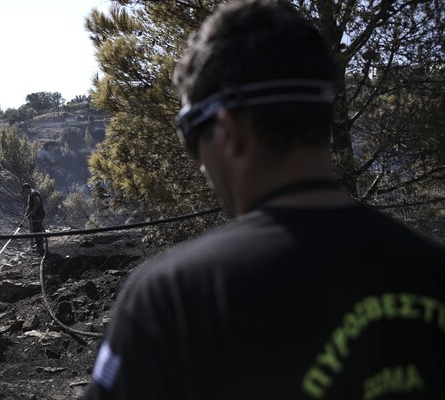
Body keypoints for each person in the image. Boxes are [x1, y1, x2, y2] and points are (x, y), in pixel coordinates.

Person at [83, 0, 445, 399]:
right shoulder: (432, 269)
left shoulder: (173, 300)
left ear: (228, 129)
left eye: (190, 134)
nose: (201, 165)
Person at [21, 183, 46, 256]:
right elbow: (28, 207)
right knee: (35, 230)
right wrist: (25, 216)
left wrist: (33, 212)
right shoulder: (30, 195)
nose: (24, 192)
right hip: (35, 216)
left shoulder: (34, 193)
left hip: (38, 215)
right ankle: (38, 246)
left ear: (27, 188)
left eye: (24, 190)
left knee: (37, 230)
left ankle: (40, 247)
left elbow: (37, 201)